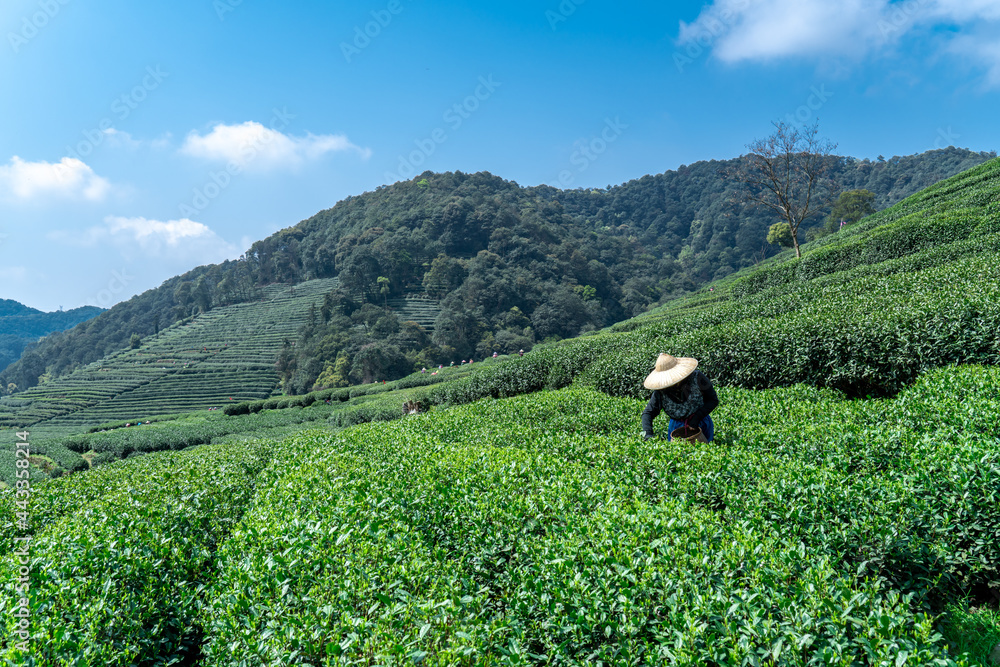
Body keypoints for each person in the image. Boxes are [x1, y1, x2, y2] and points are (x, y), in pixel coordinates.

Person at [641, 353, 719, 442]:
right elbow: (648, 413)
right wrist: (648, 434)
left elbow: (713, 400)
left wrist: (697, 418)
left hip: (701, 422)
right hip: (676, 427)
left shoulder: (697, 378)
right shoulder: (660, 391)